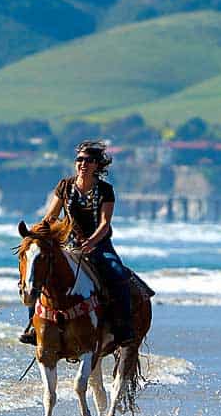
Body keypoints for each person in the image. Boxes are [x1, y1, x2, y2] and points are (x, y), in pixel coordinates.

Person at [19, 140, 135, 346]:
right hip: (66, 245)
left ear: (97, 165)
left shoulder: (106, 190)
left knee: (118, 274)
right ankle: (32, 326)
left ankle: (122, 327)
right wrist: (36, 235)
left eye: (89, 160)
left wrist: (91, 242)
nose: (83, 164)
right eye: (79, 159)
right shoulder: (65, 186)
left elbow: (105, 223)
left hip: (99, 245)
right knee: (40, 273)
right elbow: (51, 217)